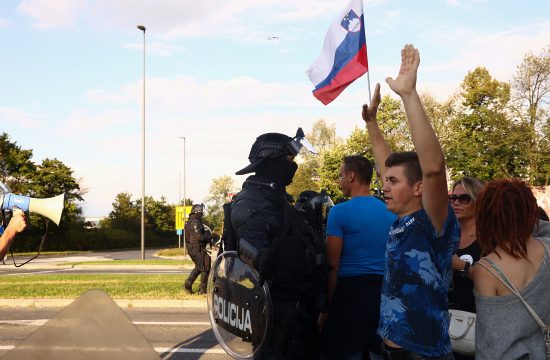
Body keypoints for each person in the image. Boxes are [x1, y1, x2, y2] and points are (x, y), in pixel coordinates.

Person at [363, 44, 458, 359]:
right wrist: (372, 123)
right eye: (384, 182)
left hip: (423, 353)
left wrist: (408, 94)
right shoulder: (402, 221)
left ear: (419, 188)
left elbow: (432, 169)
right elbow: (384, 164)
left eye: (392, 182)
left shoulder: (432, 221)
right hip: (389, 348)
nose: (384, 187)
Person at [231, 129, 324, 359]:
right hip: (276, 317)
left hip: (298, 312)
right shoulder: (254, 203)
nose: (293, 166)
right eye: (288, 160)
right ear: (270, 161)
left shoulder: (275, 199)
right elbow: (254, 263)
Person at [321, 155, 396, 360]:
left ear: (351, 176)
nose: (339, 181)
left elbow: (333, 263)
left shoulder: (339, 212)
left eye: (340, 176)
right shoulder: (390, 211)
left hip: (350, 292)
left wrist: (327, 307)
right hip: (384, 292)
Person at [472, 179, 550, 360]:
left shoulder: (487, 269)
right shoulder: (547, 247)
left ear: (485, 216)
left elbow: (490, 346)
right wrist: (521, 214)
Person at [447, 177, 483, 360]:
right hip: (446, 321)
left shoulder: (488, 237)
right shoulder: (447, 235)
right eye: (453, 198)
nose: (456, 203)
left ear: (478, 200)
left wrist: (460, 266)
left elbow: (494, 278)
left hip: (478, 323)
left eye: (464, 198)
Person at [183, 203, 213, 294]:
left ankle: (200, 288)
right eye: (201, 211)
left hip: (197, 247)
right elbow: (200, 238)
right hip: (196, 248)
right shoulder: (195, 221)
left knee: (204, 266)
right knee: (202, 267)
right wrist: (211, 236)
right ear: (198, 212)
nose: (202, 213)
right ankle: (191, 285)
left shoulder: (192, 220)